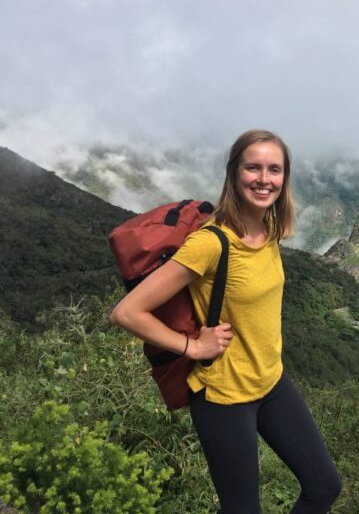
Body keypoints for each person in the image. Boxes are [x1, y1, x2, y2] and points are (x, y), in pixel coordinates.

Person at [110, 130, 341, 514]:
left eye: (274, 169)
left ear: (285, 178)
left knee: (324, 487)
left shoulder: (270, 230)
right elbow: (126, 312)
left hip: (271, 383)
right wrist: (192, 346)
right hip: (223, 397)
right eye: (253, 168)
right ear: (234, 173)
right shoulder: (211, 243)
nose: (264, 179)